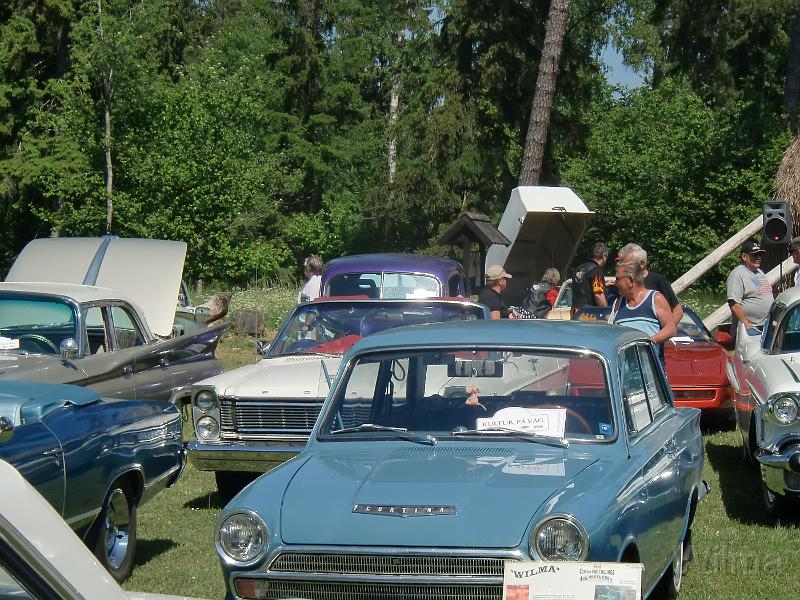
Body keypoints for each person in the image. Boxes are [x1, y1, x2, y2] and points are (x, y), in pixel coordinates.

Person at [612, 258, 677, 361]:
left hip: (650, 371)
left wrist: (646, 343)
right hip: (625, 371)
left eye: (618, 279)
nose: (615, 283)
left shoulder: (655, 298)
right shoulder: (619, 303)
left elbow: (670, 329)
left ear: (630, 280)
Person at [616, 243, 683, 325]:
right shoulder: (622, 282)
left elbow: (677, 311)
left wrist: (663, 332)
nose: (624, 267)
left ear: (642, 264)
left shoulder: (658, 280)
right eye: (622, 263)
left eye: (628, 264)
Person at [727, 240, 773, 338]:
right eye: (755, 255)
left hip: (764, 327)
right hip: (749, 329)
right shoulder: (737, 274)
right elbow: (734, 303)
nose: (759, 258)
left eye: (760, 254)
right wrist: (746, 324)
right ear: (744, 257)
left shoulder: (759, 272)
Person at [571, 242, 609, 316]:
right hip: (589, 315)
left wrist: (605, 285)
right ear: (604, 256)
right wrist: (606, 312)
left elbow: (585, 287)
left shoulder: (578, 269)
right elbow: (598, 294)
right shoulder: (596, 271)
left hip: (575, 313)